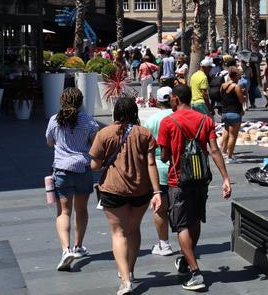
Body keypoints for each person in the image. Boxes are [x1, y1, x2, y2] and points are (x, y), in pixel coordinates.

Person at [157, 84, 231, 291]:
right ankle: (187, 259)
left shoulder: (168, 122)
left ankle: (196, 273)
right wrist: (225, 178)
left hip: (178, 181)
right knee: (195, 219)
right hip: (201, 179)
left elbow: (164, 156)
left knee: (181, 225)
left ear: (175, 99)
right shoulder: (205, 120)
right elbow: (214, 150)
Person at [90, 98, 162, 294]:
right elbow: (151, 164)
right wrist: (157, 192)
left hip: (113, 189)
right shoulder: (144, 133)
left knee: (118, 233)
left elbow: (94, 165)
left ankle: (125, 280)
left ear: (115, 112)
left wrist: (106, 161)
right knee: (133, 229)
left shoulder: (104, 133)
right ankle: (130, 270)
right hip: (141, 189)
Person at [45, 88, 99, 272]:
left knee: (64, 212)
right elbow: (95, 143)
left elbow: (49, 142)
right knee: (81, 210)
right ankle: (78, 246)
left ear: (62, 100)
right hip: (82, 168)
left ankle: (65, 249)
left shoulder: (54, 120)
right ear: (80, 101)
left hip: (61, 170)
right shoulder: (89, 121)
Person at [142, 87, 177, 257]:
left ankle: (164, 244)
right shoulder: (179, 117)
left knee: (160, 208)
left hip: (158, 170)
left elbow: (145, 146)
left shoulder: (151, 120)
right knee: (180, 207)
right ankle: (186, 241)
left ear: (157, 100)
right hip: (179, 167)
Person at [219, 68, 246, 164]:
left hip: (225, 113)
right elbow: (242, 100)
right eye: (239, 75)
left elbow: (224, 97)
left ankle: (223, 152)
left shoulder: (222, 86)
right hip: (234, 113)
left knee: (226, 132)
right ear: (235, 76)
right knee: (232, 136)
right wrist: (244, 95)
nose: (240, 77)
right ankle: (230, 157)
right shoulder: (236, 86)